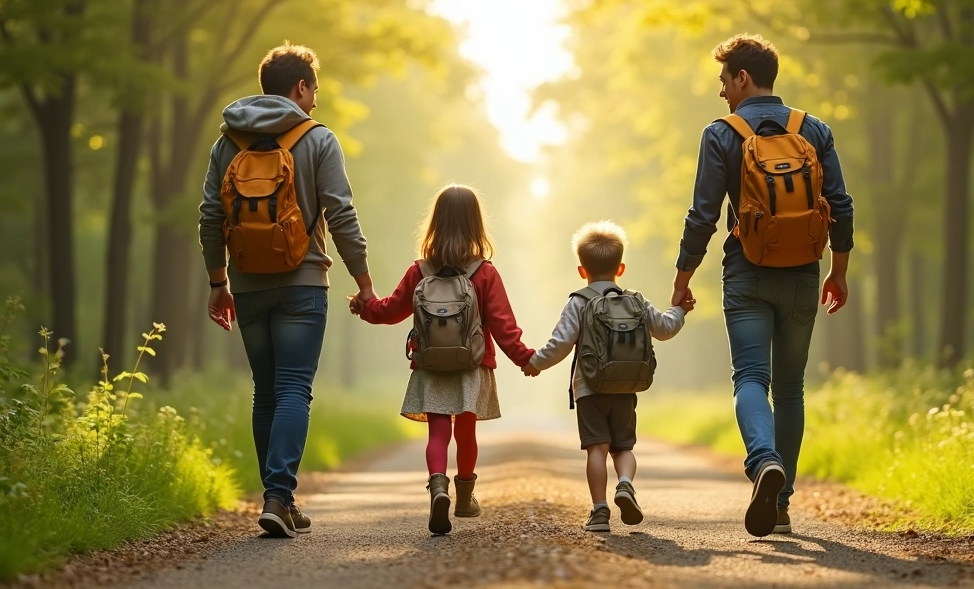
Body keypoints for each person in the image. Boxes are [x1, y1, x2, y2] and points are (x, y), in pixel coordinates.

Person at [670, 34, 855, 537]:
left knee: (751, 378)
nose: (721, 92)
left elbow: (703, 216)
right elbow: (840, 205)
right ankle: (782, 504)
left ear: (742, 78)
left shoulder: (721, 133)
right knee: (791, 388)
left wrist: (682, 280)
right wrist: (838, 271)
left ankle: (763, 462)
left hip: (748, 272)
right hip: (802, 273)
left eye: (724, 81)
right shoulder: (812, 128)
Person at [199, 43, 376, 538]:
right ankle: (279, 495)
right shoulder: (318, 138)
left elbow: (210, 218)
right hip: (302, 282)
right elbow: (341, 215)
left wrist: (220, 283)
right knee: (294, 387)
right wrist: (363, 280)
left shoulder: (226, 143)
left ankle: (278, 498)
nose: (315, 100)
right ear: (300, 87)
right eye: (314, 88)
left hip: (249, 286)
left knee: (266, 392)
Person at [352, 184, 535, 535]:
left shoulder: (420, 270)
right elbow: (503, 324)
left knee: (438, 433)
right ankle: (464, 496)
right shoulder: (485, 272)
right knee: (465, 433)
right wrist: (525, 359)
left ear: (435, 223)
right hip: (473, 365)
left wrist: (365, 308)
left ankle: (438, 488)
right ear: (476, 225)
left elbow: (391, 310)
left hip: (431, 364)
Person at [525, 221, 693, 533]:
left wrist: (535, 362)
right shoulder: (635, 300)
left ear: (581, 270)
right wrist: (680, 310)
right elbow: (665, 328)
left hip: (589, 390)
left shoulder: (578, 301)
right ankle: (625, 484)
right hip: (627, 387)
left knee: (597, 449)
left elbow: (560, 343)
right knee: (623, 448)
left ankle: (599, 511)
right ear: (621, 268)